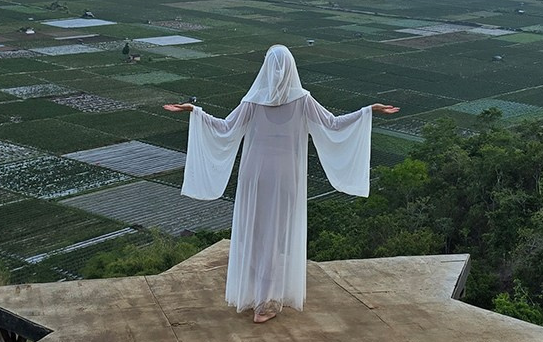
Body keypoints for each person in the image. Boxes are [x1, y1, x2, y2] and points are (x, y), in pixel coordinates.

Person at [164, 44, 398, 323]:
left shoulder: (253, 100)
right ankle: (266, 302)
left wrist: (195, 111)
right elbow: (334, 124)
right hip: (286, 175)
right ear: (291, 68)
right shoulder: (302, 100)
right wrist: (368, 111)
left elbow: (225, 127)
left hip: (255, 175)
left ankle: (256, 297)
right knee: (277, 238)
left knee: (255, 234)